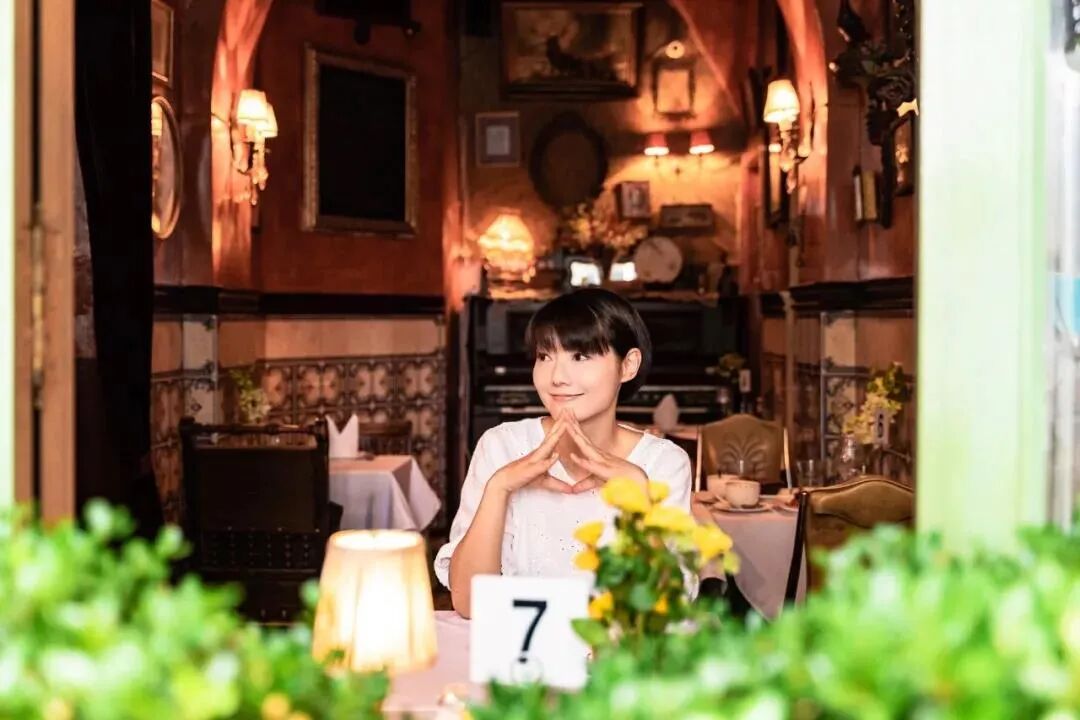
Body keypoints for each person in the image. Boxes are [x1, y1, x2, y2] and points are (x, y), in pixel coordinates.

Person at [434, 288, 692, 617]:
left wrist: (640, 495)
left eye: (580, 356)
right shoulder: (501, 446)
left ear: (628, 365)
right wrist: (499, 488)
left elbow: (663, 610)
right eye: (545, 356)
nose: (556, 377)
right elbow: (470, 603)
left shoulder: (663, 464)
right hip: (516, 648)